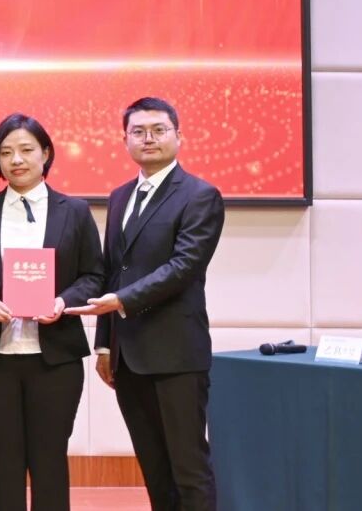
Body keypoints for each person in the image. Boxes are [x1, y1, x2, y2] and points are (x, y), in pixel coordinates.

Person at [66, 97, 225, 511]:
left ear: (179, 136)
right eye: (138, 132)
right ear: (125, 140)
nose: (148, 138)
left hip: (177, 355)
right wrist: (105, 344)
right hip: (128, 357)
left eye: (158, 130)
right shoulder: (120, 196)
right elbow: (111, 271)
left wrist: (121, 300)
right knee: (154, 468)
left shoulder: (200, 195)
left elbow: (184, 266)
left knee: (189, 468)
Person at [0, 114, 103, 511]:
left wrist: (63, 301)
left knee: (50, 462)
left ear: (46, 153)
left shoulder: (74, 211)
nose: (16, 160)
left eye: (26, 150)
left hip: (55, 359)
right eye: (6, 152)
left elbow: (94, 275)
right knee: (3, 463)